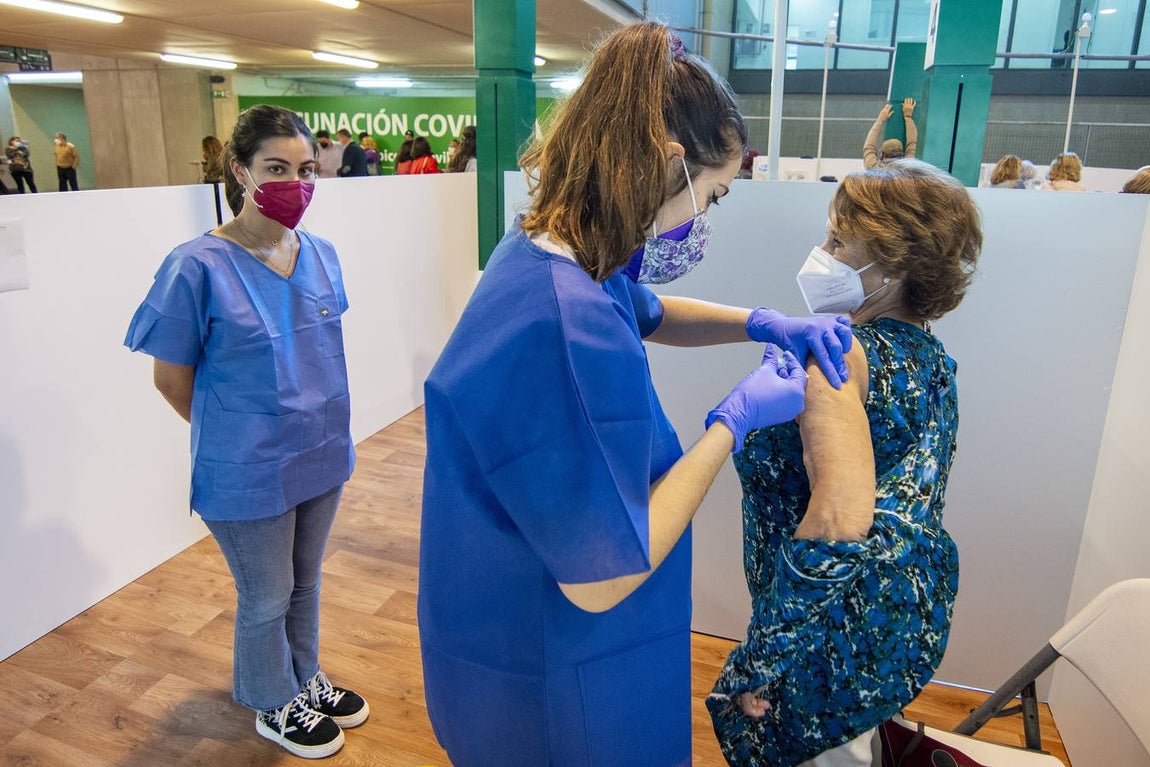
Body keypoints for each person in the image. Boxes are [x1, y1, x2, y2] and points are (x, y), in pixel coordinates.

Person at [418, 22, 853, 767]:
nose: (703, 219)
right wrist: (733, 421)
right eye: (711, 196)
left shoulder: (551, 250)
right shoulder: (565, 329)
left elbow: (647, 309)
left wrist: (758, 321)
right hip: (552, 667)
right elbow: (602, 578)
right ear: (670, 163)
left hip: (502, 615)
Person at [708, 159, 982, 767]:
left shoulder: (839, 354)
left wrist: (767, 653)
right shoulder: (933, 361)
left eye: (837, 239)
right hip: (887, 626)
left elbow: (837, 517)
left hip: (823, 630)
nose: (822, 252)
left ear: (893, 264)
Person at [123, 104, 368, 760]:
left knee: (306, 578)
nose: (296, 181)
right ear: (240, 170)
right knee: (267, 591)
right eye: (277, 167)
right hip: (247, 465)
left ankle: (301, 676)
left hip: (320, 452)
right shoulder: (196, 265)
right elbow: (171, 380)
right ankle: (270, 699)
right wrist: (240, 439)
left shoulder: (321, 254)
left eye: (306, 169)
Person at [863, 98, 917, 169]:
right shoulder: (907, 169)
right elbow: (912, 143)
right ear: (901, 154)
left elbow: (869, 146)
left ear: (882, 155)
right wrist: (908, 116)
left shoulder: (874, 168)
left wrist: (880, 120)